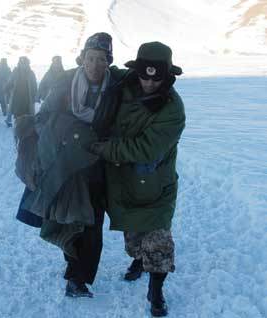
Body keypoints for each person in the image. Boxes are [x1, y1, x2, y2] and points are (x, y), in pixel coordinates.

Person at [15, 33, 127, 298]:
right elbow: (42, 119)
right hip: (66, 165)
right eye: (90, 58)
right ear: (82, 58)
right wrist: (71, 131)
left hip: (99, 167)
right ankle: (72, 269)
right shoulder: (65, 82)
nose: (95, 65)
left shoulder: (116, 87)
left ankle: (79, 278)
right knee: (68, 221)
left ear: (109, 61)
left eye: (102, 59)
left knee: (92, 224)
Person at [90, 41, 186, 316]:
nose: (149, 83)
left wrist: (104, 148)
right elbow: (94, 73)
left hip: (154, 186)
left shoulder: (173, 110)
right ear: (137, 71)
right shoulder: (122, 82)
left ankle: (156, 292)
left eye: (157, 79)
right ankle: (138, 260)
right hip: (122, 183)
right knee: (133, 239)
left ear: (168, 77)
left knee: (158, 242)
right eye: (144, 75)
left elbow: (145, 149)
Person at [4, 56, 37, 127]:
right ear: (19, 63)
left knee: (27, 112)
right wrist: (7, 87)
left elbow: (34, 85)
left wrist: (35, 95)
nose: (23, 65)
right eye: (21, 63)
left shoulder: (31, 73)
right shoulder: (15, 71)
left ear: (27, 63)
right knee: (17, 112)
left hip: (28, 97)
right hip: (17, 97)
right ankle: (17, 125)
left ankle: (26, 125)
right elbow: (10, 81)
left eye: (24, 63)